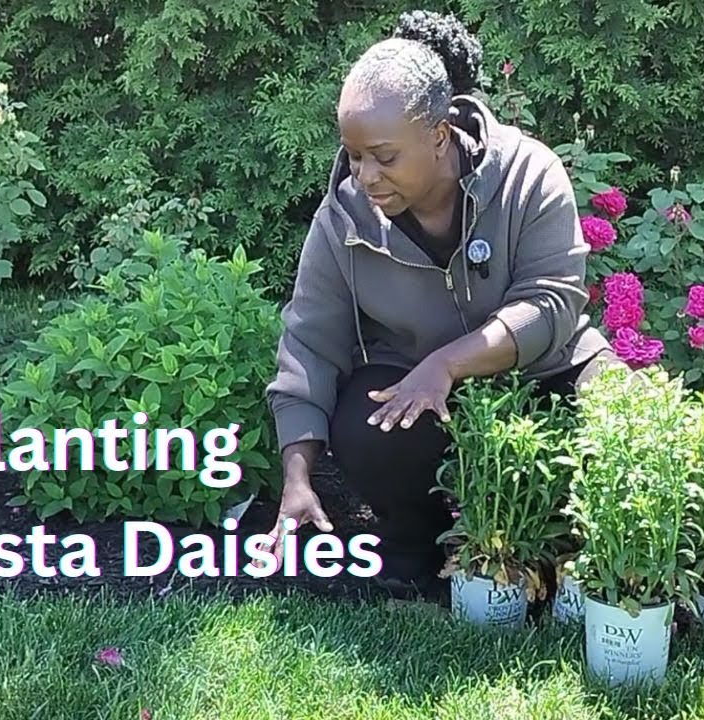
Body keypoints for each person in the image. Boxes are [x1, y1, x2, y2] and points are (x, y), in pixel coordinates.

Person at [262, 9, 617, 594]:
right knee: (368, 425)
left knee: (617, 413)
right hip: (413, 379)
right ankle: (417, 554)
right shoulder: (342, 219)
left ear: (438, 136)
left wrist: (448, 363)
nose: (365, 176)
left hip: (543, 367)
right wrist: (297, 476)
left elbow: (552, 302)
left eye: (384, 157)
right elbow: (309, 342)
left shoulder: (529, 174)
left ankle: (569, 558)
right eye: (354, 156)